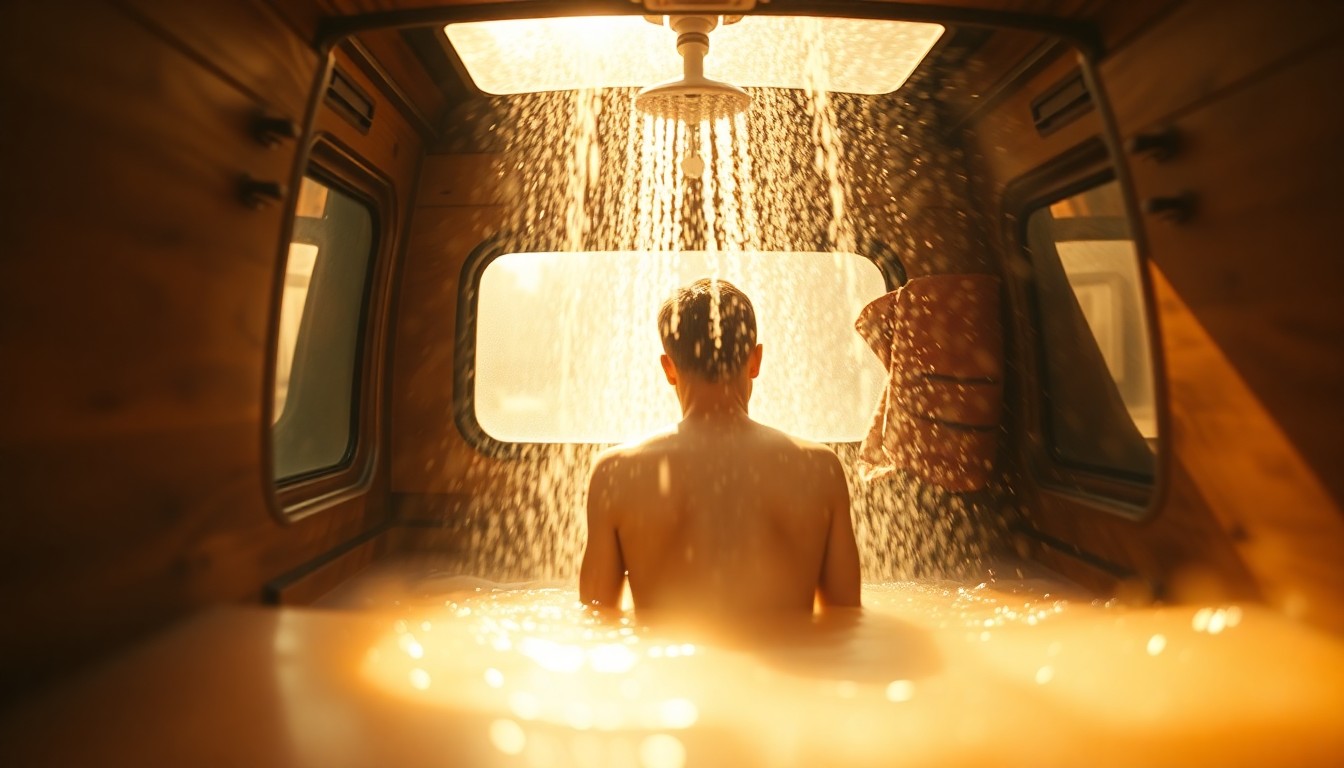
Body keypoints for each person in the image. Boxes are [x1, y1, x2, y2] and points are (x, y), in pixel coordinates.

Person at [579, 278, 861, 616]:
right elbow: (846, 621)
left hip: (667, 670)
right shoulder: (820, 469)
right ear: (755, 360)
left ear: (668, 368)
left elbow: (596, 618)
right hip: (789, 668)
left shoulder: (617, 473)